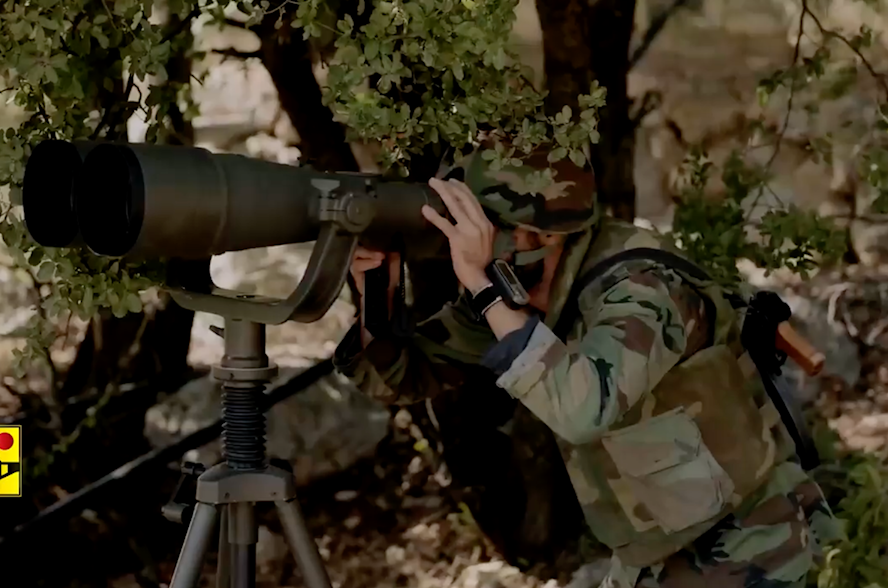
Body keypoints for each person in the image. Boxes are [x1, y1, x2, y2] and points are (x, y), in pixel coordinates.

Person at [333, 138, 842, 587]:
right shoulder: (519, 290)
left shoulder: (641, 290)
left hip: (753, 545)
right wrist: (376, 295)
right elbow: (399, 379)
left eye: (481, 228)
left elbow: (583, 408)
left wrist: (484, 289)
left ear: (539, 236)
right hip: (660, 551)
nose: (462, 246)